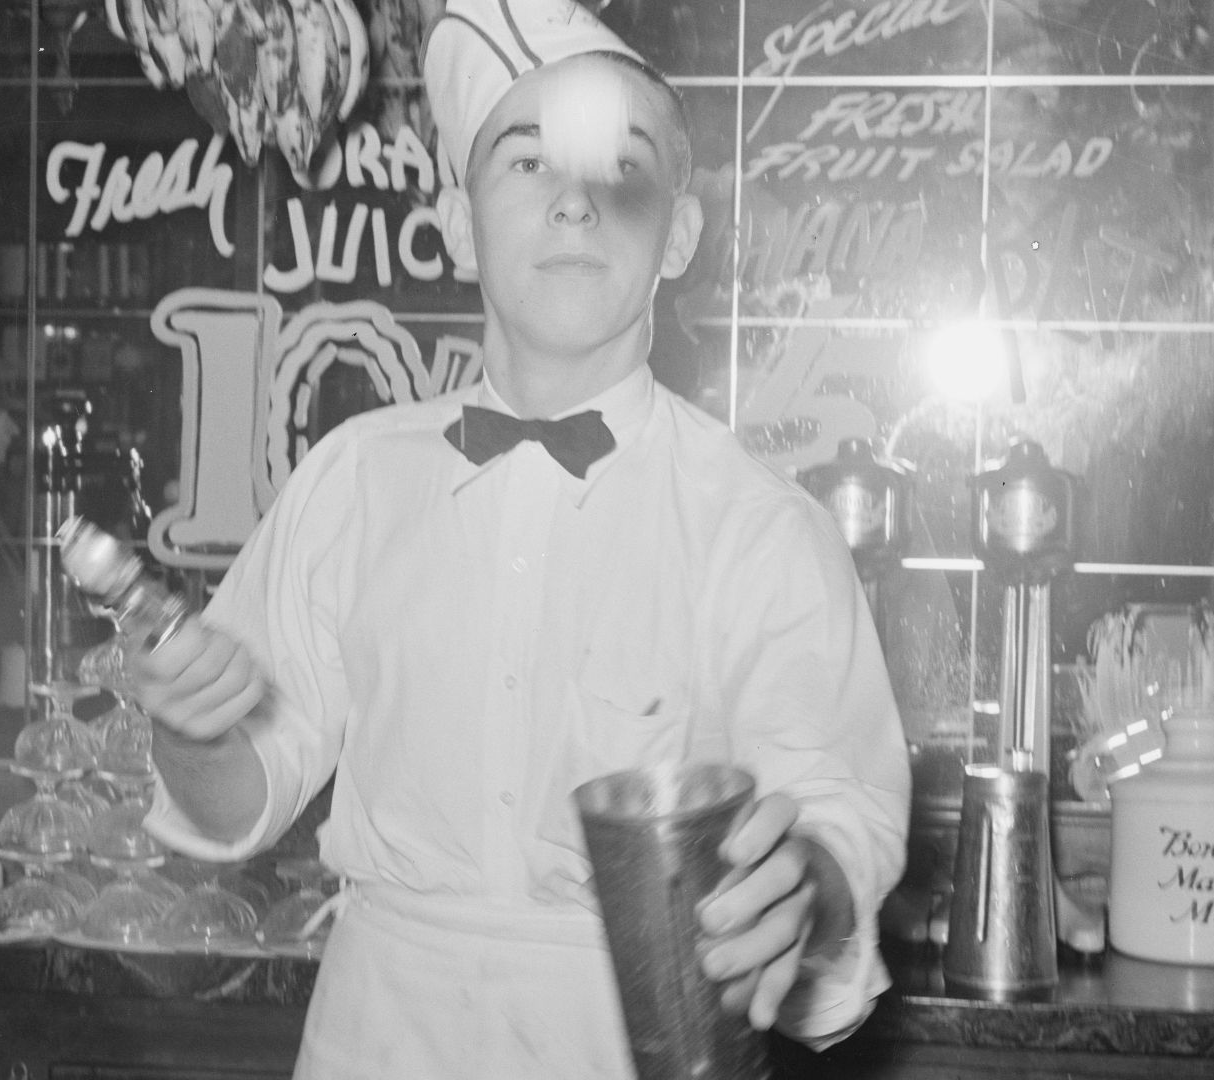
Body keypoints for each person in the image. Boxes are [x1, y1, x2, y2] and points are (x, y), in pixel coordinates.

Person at [130, 2, 911, 1075]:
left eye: (619, 172)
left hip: (637, 1042)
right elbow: (239, 794)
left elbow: (836, 821)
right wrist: (193, 731)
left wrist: (802, 890)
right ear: (458, 224)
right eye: (528, 163)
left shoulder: (761, 527)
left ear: (678, 234)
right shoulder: (352, 479)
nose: (576, 206)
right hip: (376, 1037)